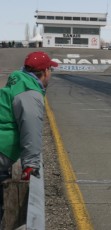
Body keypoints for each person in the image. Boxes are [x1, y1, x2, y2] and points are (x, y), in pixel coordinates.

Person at [0, 51, 58, 220]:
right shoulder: (30, 93)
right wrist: (31, 165)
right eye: (51, 70)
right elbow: (30, 129)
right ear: (46, 71)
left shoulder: (18, 82)